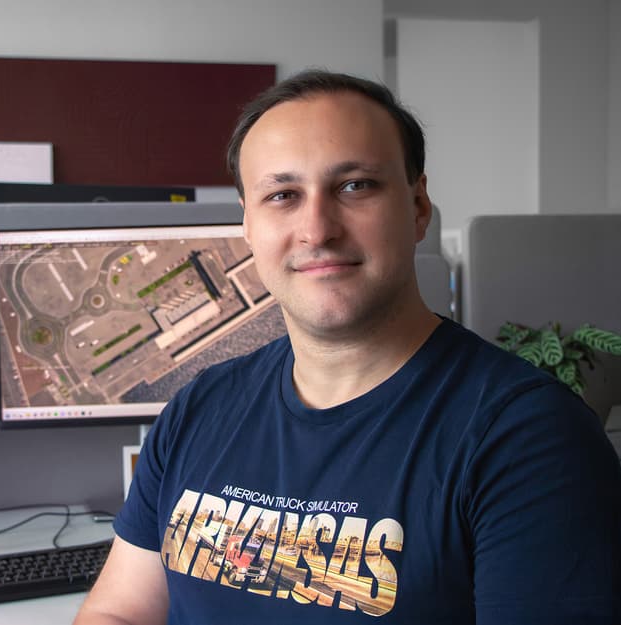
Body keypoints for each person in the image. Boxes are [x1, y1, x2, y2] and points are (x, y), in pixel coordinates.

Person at [73, 69, 621, 624]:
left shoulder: (530, 438)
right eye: (282, 195)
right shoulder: (199, 407)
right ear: (248, 226)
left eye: (355, 186)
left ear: (418, 207)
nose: (317, 229)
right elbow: (119, 612)